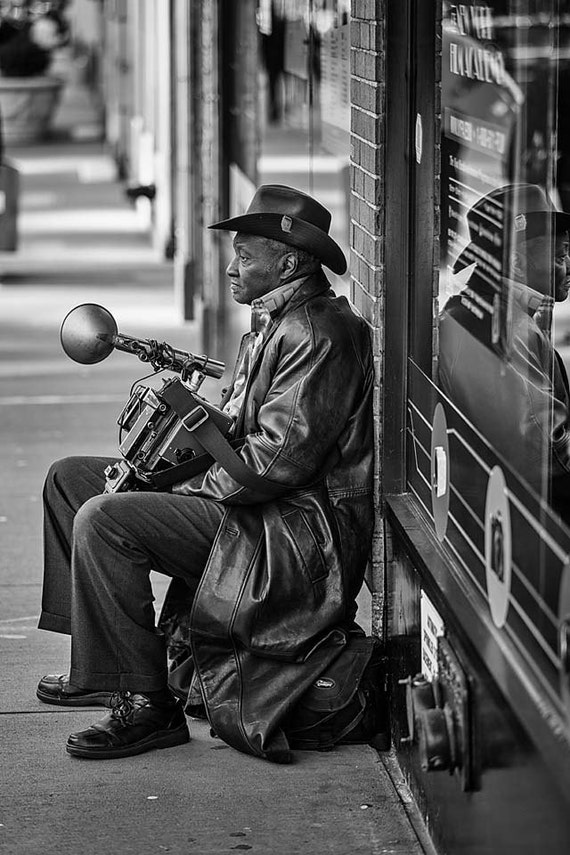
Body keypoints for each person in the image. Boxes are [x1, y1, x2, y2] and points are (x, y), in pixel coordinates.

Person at [36, 184, 375, 763]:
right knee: (72, 480)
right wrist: (170, 446)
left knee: (107, 517)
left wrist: (174, 479)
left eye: (245, 256)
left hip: (291, 536)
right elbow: (248, 436)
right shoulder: (274, 321)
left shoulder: (317, 333)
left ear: (289, 262)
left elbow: (273, 467)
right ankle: (100, 667)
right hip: (256, 508)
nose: (232, 268)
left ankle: (148, 706)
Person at [438, 183, 570, 513]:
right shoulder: (510, 328)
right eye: (560, 255)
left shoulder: (471, 305)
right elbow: (546, 444)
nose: (569, 265)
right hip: (506, 518)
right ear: (515, 262)